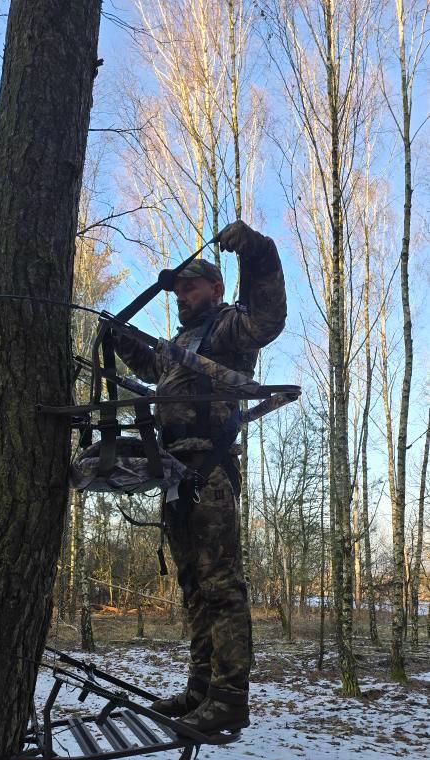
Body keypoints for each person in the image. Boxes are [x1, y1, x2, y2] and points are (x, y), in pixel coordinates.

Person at [112, 221, 287, 733]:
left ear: (215, 287)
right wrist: (117, 336)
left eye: (190, 287)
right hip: (175, 474)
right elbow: (151, 368)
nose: (182, 297)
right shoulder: (181, 341)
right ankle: (200, 689)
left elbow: (268, 318)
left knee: (220, 584)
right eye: (177, 291)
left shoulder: (229, 327)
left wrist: (258, 249)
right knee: (193, 584)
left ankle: (229, 699)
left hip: (210, 470)